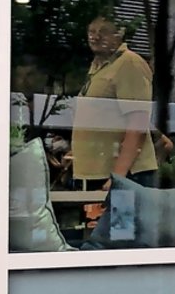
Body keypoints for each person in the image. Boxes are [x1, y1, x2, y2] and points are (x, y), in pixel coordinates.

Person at [71, 15, 159, 246]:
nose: (95, 36)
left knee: (122, 245)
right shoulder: (98, 67)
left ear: (119, 34)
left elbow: (137, 122)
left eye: (103, 31)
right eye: (91, 31)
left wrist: (118, 177)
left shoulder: (129, 63)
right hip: (98, 175)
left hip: (125, 176)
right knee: (103, 246)